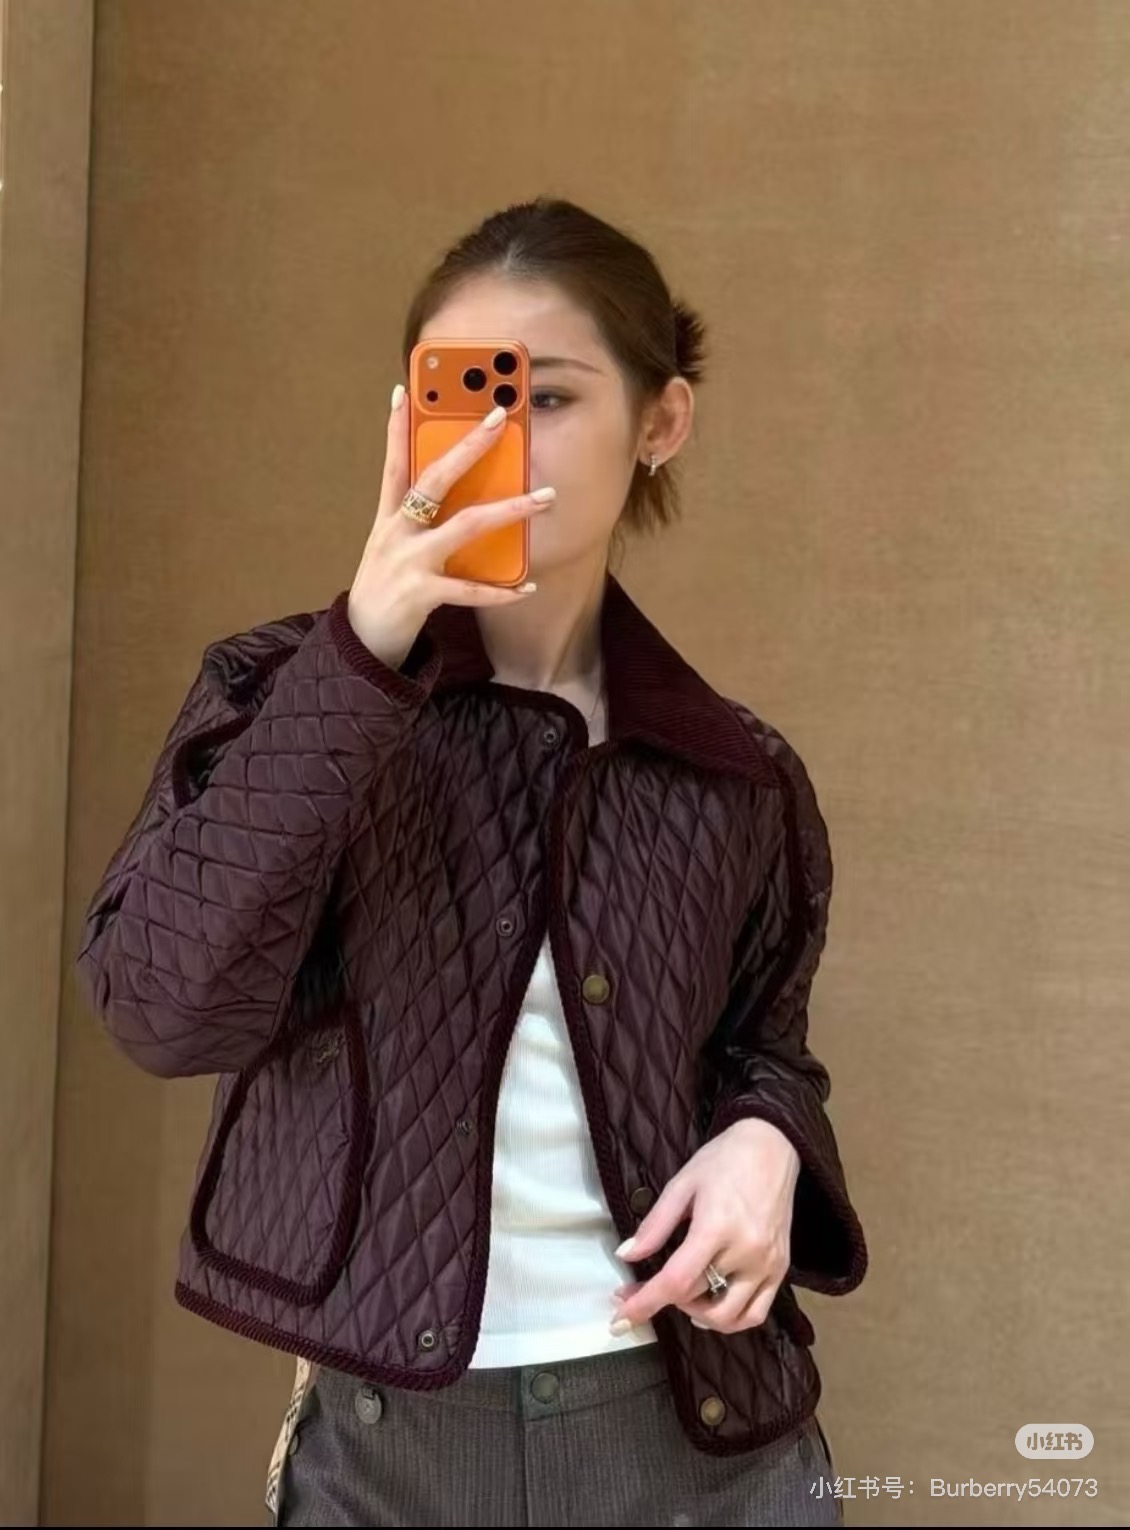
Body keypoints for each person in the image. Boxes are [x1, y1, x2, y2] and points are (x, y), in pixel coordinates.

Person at [76, 196, 867, 1528]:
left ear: (661, 420)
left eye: (547, 396)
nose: (500, 441)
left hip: (705, 1441)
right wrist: (363, 648)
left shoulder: (736, 773)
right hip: (387, 1454)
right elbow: (162, 1007)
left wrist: (766, 1140)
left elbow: (764, 1048)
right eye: (467, 397)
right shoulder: (281, 693)